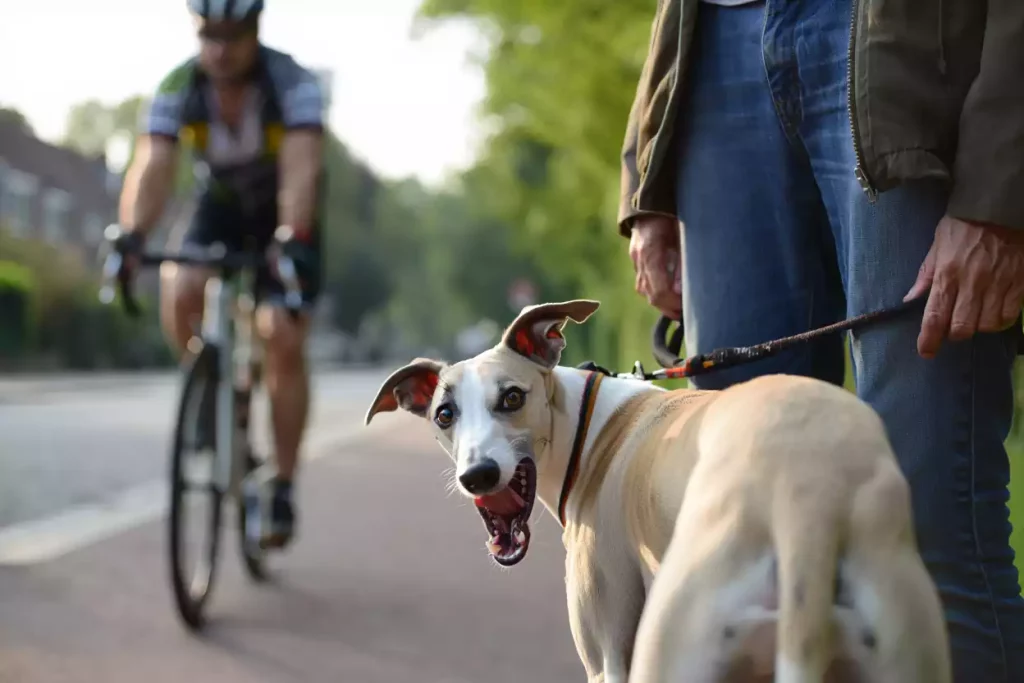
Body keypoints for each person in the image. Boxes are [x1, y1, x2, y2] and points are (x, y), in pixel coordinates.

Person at [620, 0, 1024, 680]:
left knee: (933, 530)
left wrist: (1002, 186)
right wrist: (649, 169)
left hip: (911, 44)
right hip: (718, 52)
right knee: (732, 566)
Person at [113, 0, 326, 549]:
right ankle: (207, 387)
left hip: (282, 211)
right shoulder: (180, 85)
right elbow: (154, 163)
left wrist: (293, 240)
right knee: (180, 284)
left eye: (232, 35)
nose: (219, 48)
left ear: (255, 31)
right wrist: (133, 235)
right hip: (220, 208)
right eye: (208, 33)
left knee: (281, 334)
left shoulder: (291, 82)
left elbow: (301, 167)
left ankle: (280, 482)